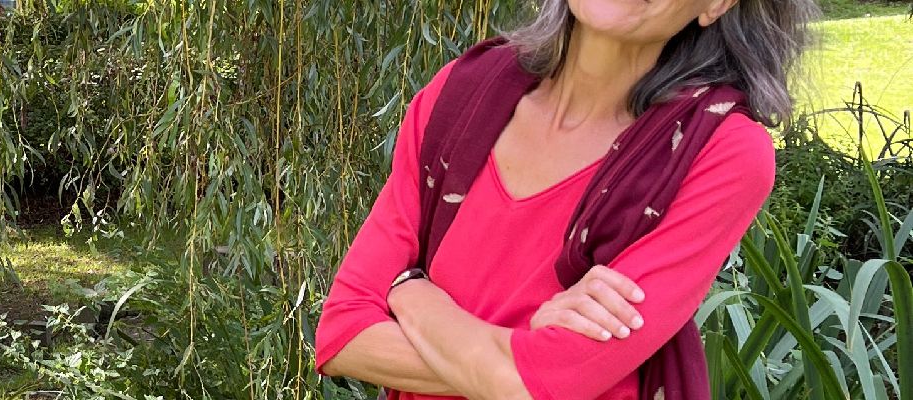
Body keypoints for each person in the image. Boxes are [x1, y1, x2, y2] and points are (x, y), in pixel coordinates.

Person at [312, 0, 816, 398]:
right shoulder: (460, 99)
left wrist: (407, 293)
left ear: (718, 4)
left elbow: (537, 386)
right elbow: (342, 335)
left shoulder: (717, 150)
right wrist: (523, 350)